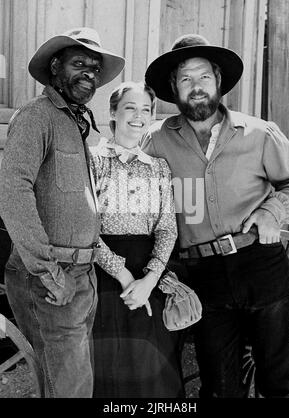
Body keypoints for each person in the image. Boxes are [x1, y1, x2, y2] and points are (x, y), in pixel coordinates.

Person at [143, 34, 289, 398]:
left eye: (203, 77)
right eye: (186, 79)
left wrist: (273, 211)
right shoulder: (156, 140)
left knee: (280, 382)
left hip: (261, 264)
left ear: (218, 82)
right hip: (203, 277)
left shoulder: (260, 134)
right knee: (220, 386)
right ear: (173, 87)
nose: (196, 87)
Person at [0, 27, 126, 398]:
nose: (90, 72)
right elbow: (12, 193)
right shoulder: (37, 116)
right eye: (79, 63)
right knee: (69, 390)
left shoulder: (74, 122)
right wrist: (48, 271)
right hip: (50, 278)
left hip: (80, 275)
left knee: (72, 385)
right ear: (56, 67)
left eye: (95, 68)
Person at [88, 81, 184, 398]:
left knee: (153, 369)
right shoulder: (91, 161)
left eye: (146, 110)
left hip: (148, 275)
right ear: (113, 112)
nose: (138, 116)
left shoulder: (158, 168)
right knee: (107, 364)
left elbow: (167, 228)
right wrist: (122, 273)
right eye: (130, 107)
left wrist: (150, 279)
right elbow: (86, 226)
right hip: (102, 274)